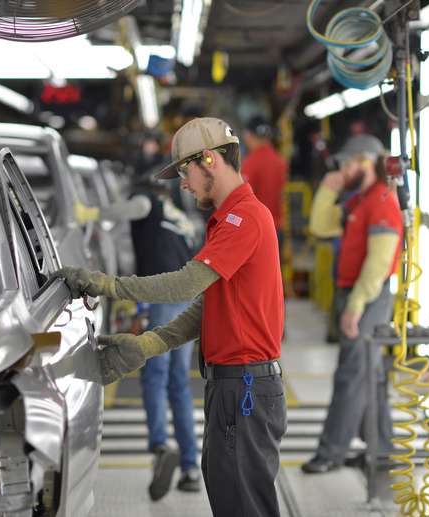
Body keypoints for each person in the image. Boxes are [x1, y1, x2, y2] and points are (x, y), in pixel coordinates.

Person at [55, 117, 286, 517]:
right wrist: (152, 343)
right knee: (230, 498)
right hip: (231, 387)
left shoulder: (243, 217)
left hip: (244, 389)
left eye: (184, 171)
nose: (183, 183)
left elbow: (187, 284)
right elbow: (209, 305)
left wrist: (108, 285)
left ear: (209, 160)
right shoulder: (228, 217)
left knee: (244, 506)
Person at [302, 134, 403, 473]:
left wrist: (356, 305)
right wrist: (329, 189)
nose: (343, 170)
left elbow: (379, 263)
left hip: (369, 296)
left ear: (366, 162)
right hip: (354, 293)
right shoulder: (359, 200)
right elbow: (320, 226)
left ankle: (331, 452)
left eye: (347, 164)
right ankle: (383, 448)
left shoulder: (382, 202)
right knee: (368, 375)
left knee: (350, 374)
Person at [129, 170, 201, 500]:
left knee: (154, 376)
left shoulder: (146, 204)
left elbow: (122, 212)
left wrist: (87, 213)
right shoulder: (181, 217)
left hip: (163, 296)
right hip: (188, 298)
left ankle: (160, 446)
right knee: (178, 382)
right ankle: (190, 467)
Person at [241, 115, 288, 232]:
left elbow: (243, 199)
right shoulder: (280, 161)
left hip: (258, 229)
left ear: (248, 135)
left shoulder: (250, 163)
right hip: (277, 227)